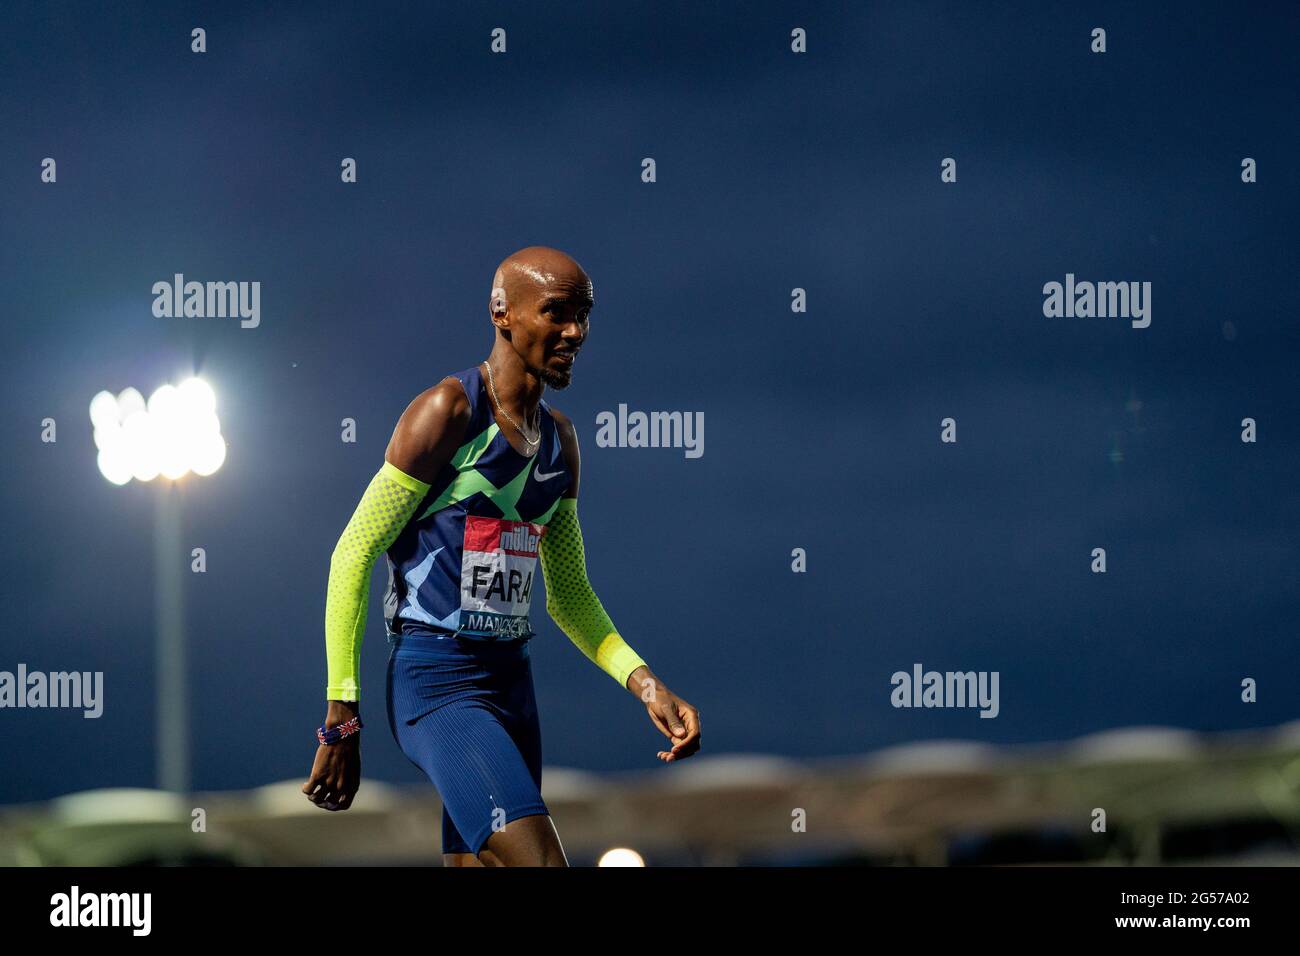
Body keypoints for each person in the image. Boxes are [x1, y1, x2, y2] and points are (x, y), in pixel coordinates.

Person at [302, 246, 701, 866]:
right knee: (542, 862)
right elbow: (352, 553)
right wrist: (341, 713)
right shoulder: (448, 412)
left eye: (584, 315)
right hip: (439, 686)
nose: (576, 332)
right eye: (556, 312)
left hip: (512, 689)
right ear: (501, 312)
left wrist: (645, 683)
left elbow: (568, 594)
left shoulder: (561, 443)